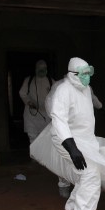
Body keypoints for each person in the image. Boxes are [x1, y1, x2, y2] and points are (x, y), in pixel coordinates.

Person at [47, 57, 105, 210]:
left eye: (89, 73)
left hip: (85, 140)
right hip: (66, 139)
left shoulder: (85, 89)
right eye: (84, 74)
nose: (88, 77)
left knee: (86, 175)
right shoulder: (63, 90)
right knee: (91, 175)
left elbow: (91, 107)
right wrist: (71, 147)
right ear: (73, 74)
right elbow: (58, 120)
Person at [19, 59, 73, 198]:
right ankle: (34, 158)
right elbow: (22, 93)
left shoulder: (52, 81)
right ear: (36, 69)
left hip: (46, 113)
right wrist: (29, 102)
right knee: (32, 135)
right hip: (32, 113)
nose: (42, 71)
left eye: (44, 68)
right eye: (40, 68)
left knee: (46, 135)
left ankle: (45, 157)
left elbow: (56, 95)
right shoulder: (29, 80)